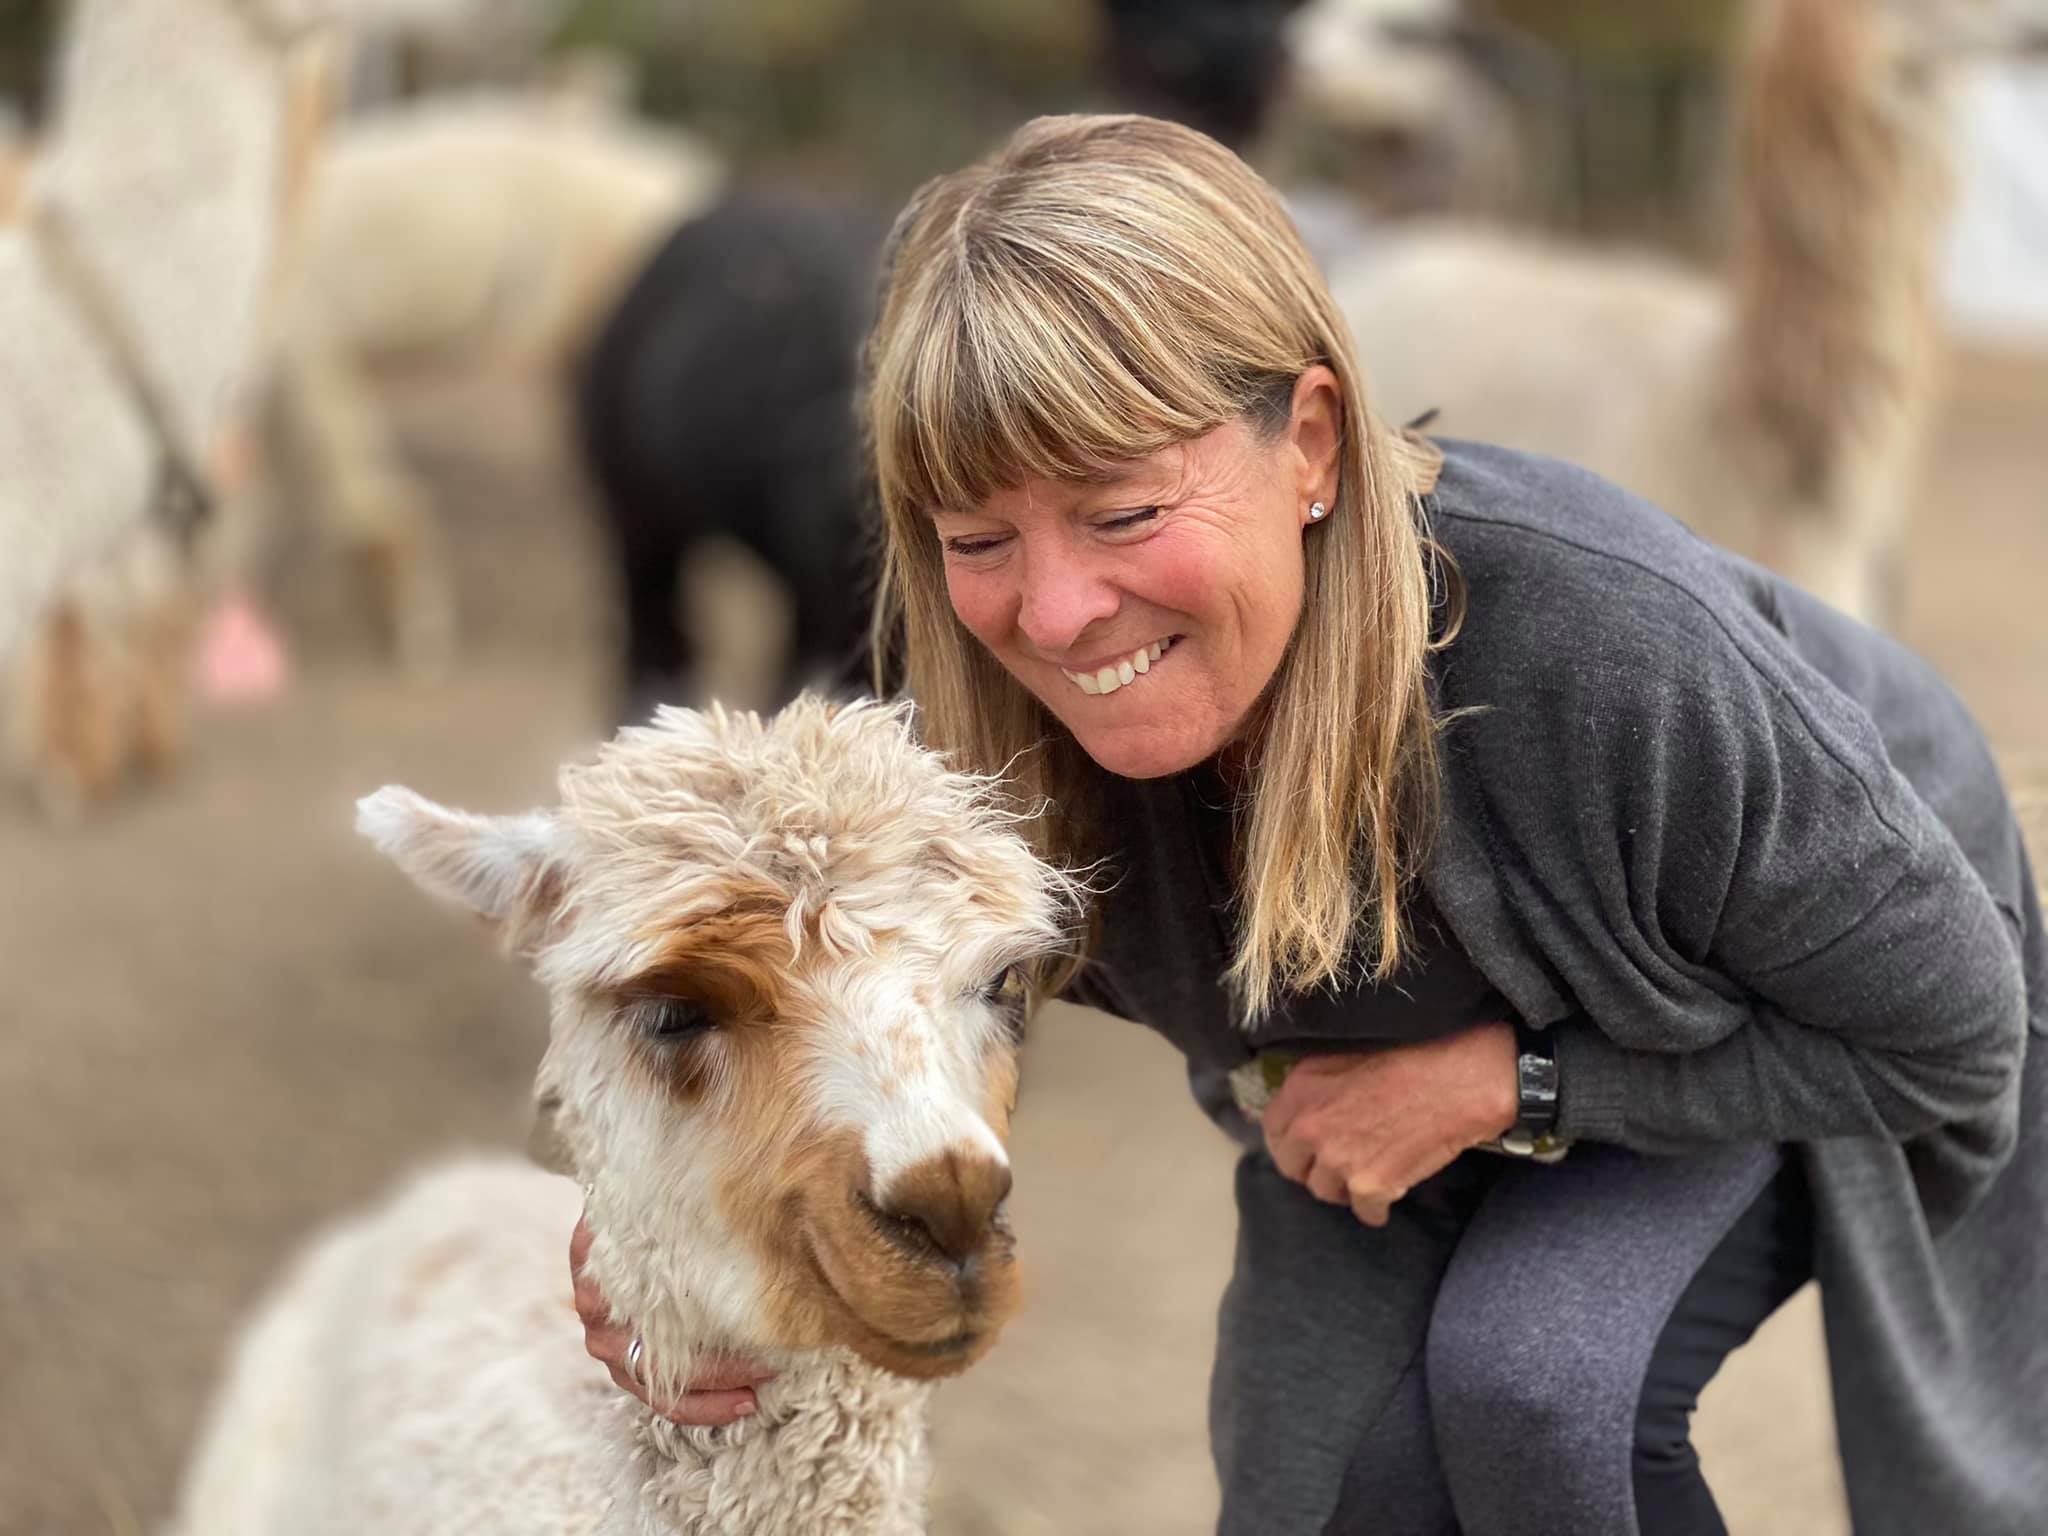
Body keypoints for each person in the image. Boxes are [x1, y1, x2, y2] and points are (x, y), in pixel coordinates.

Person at [573, 114, 2047, 1535]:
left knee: (1538, 1389)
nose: (1058, 612)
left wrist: (1509, 1087)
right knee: (1324, 1480)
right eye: (978, 541)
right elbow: (744, 984)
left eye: (1126, 513)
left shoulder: (1599, 656)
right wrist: (644, 1231)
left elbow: (1954, 1032)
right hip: (1381, 1031)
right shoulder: (968, 723)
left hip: (1739, 978)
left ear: (1314, 444)